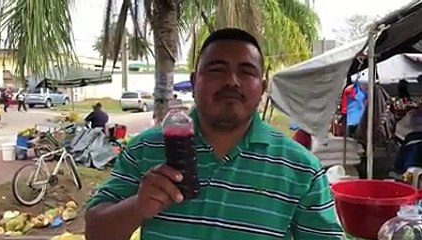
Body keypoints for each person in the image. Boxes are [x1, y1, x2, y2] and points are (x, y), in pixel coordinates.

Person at [85, 28, 343, 240]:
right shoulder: (144, 149)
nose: (232, 80)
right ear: (195, 80)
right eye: (217, 69)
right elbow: (95, 232)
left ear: (262, 86)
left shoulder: (302, 169)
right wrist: (137, 207)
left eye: (246, 71)